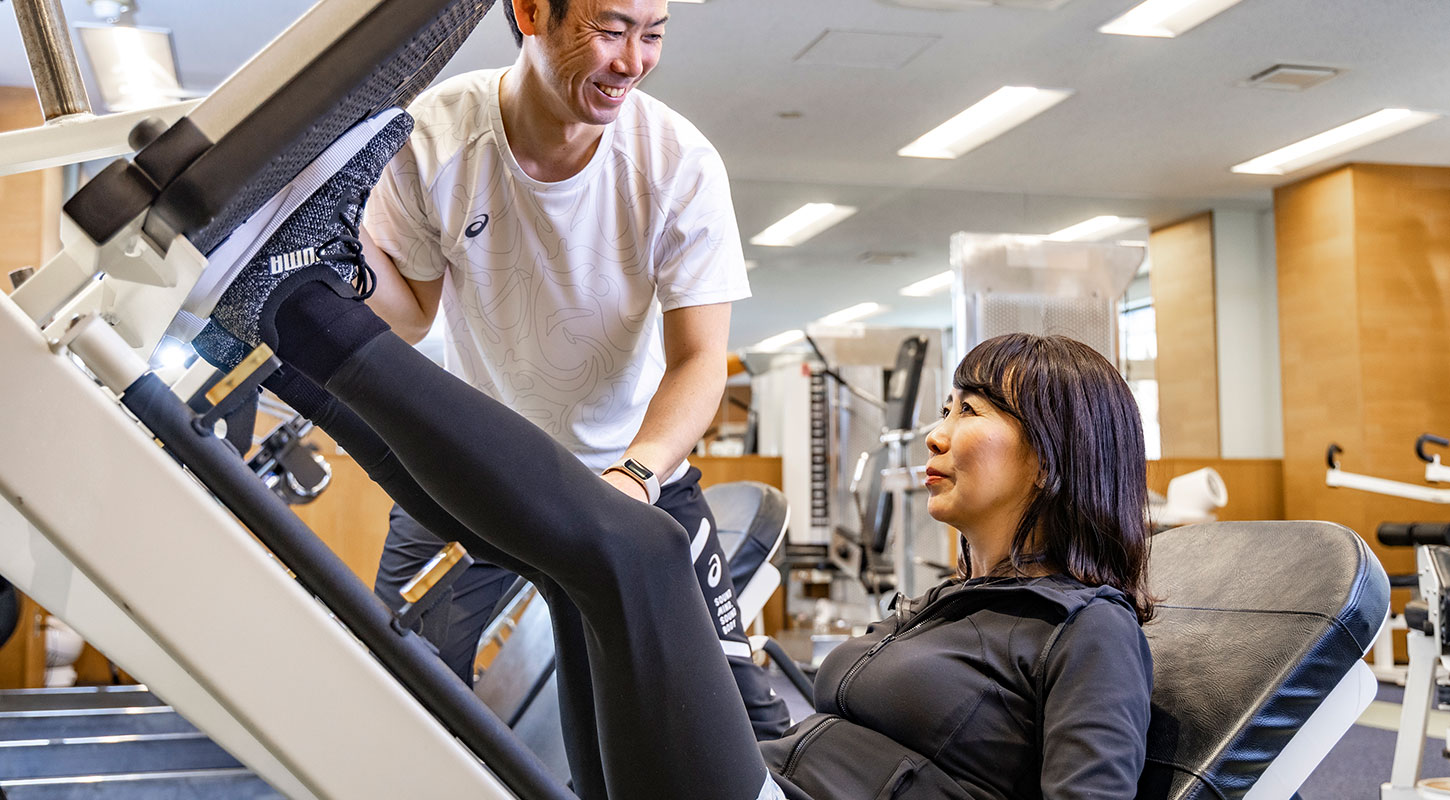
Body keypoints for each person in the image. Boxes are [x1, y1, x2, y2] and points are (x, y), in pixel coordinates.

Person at [193, 110, 1155, 796]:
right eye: (945, 407)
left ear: (1053, 456)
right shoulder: (957, 603)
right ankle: (270, 344)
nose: (939, 433)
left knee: (643, 546)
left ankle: (301, 308)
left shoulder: (1090, 631)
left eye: (972, 411)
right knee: (564, 567)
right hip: (767, 776)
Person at [352, 0, 785, 734]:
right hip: (479, 473)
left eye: (653, 35)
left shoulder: (677, 162)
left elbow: (700, 359)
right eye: (611, 30)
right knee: (406, 695)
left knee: (739, 715)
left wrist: (635, 476)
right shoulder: (438, 135)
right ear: (529, 11)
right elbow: (414, 312)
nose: (633, 62)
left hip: (636, 472)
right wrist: (343, 246)